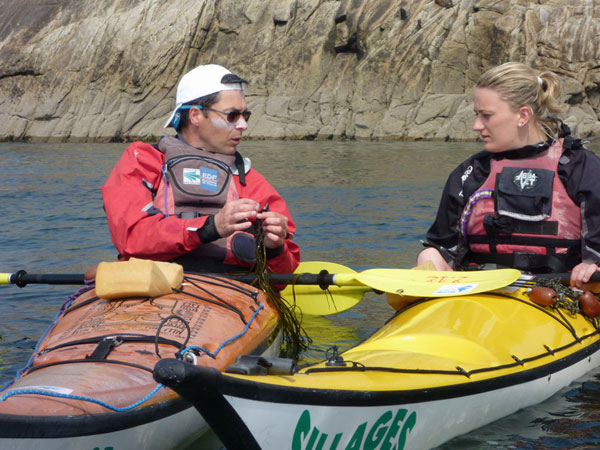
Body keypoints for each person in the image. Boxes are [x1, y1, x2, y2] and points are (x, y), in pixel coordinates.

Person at [101, 64, 300, 275]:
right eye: (232, 116)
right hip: (151, 287)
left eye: (245, 115)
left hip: (232, 293)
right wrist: (210, 227)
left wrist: (276, 248)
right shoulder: (143, 162)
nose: (243, 125)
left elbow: (283, 276)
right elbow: (131, 237)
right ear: (195, 115)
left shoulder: (252, 183)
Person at [417, 61, 600, 289]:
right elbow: (444, 246)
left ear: (523, 115)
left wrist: (593, 264)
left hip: (560, 298)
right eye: (477, 114)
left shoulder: (580, 168)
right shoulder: (471, 172)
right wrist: (431, 258)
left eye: (486, 115)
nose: (476, 125)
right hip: (480, 296)